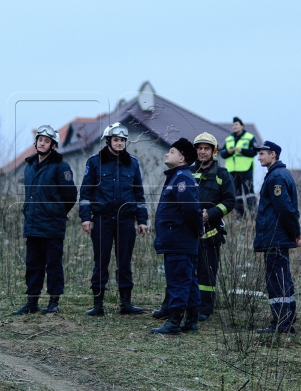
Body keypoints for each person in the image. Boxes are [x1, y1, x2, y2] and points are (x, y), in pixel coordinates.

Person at [152, 133, 236, 325]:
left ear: (213, 151)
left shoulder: (222, 175)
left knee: (205, 272)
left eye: (206, 148)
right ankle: (171, 306)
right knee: (181, 272)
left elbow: (230, 202)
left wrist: (211, 214)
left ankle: (203, 309)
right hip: (187, 230)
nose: (202, 152)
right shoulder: (187, 172)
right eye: (199, 148)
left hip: (210, 231)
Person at [79, 122, 148, 316]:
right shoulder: (94, 162)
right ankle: (98, 305)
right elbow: (86, 192)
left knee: (124, 262)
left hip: (126, 220)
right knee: (101, 261)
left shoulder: (133, 163)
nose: (119, 143)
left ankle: (126, 303)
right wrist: (86, 217)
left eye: (123, 140)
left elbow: (139, 194)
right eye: (116, 140)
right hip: (103, 219)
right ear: (108, 141)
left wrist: (142, 220)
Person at [13, 125, 77, 316]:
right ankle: (32, 303)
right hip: (33, 224)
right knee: (33, 264)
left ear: (53, 145)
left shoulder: (61, 167)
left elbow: (70, 195)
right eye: (40, 140)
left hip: (52, 225)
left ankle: (53, 302)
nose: (42, 143)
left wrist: (56, 211)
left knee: (53, 265)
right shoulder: (30, 166)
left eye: (47, 141)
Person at [151, 138, 203, 335]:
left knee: (178, 281)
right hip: (179, 240)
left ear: (181, 158)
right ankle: (191, 321)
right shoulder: (178, 177)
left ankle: (174, 322)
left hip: (178, 240)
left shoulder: (182, 178)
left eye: (171, 151)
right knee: (188, 280)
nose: (167, 154)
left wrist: (198, 229)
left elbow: (190, 210)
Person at [253, 140, 301, 334]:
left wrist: (295, 233)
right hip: (279, 237)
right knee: (283, 278)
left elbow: (285, 209)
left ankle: (280, 324)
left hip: (275, 237)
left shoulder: (276, 177)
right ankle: (287, 321)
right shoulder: (279, 174)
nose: (259, 157)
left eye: (262, 153)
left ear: (273, 154)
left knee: (276, 281)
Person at [220, 117, 258, 218]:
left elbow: (254, 151)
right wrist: (228, 152)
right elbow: (222, 154)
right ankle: (240, 215)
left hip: (246, 168)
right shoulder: (229, 139)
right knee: (236, 193)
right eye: (233, 125)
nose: (234, 127)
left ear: (242, 126)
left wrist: (242, 150)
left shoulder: (249, 137)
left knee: (249, 191)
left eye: (236, 124)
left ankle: (253, 214)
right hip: (232, 170)